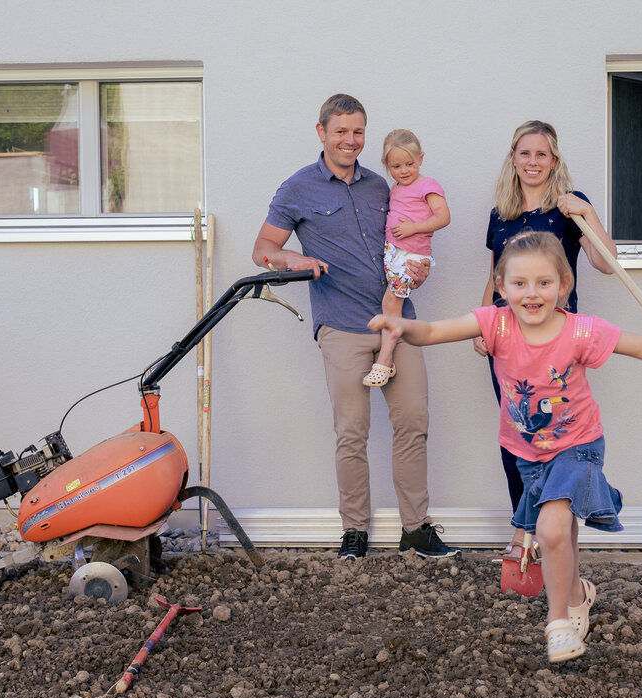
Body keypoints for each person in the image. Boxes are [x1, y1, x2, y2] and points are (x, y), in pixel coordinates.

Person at [369, 231, 642, 662]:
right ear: (501, 286)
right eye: (519, 283)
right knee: (561, 537)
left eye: (543, 283)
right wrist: (402, 326)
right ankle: (576, 595)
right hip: (528, 454)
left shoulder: (580, 332)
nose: (531, 294)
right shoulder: (494, 323)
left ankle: (557, 625)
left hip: (578, 447)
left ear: (563, 286)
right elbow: (434, 330)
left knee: (550, 529)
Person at [251, 94, 459, 561]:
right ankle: (355, 532)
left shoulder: (382, 185)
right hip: (342, 327)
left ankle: (416, 529)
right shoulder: (297, 188)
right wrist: (293, 258)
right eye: (341, 131)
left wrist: (420, 266)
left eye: (358, 131)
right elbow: (262, 248)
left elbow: (411, 235)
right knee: (352, 432)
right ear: (321, 131)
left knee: (413, 425)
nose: (351, 140)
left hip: (398, 323)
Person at [473, 120, 619, 562]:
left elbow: (606, 263)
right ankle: (524, 536)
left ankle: (554, 532)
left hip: (556, 343)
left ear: (554, 160)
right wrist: (484, 325)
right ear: (513, 159)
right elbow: (496, 275)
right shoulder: (502, 212)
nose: (532, 161)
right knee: (517, 438)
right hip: (508, 341)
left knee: (556, 440)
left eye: (541, 154)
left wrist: (587, 213)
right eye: (524, 153)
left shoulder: (568, 208)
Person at [363, 129, 450, 387]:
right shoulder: (396, 188)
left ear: (421, 158)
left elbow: (443, 217)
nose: (404, 170)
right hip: (394, 252)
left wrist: (412, 228)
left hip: (411, 255)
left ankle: (385, 360)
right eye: (396, 166)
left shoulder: (428, 185)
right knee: (390, 301)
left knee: (392, 301)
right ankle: (386, 356)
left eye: (410, 164)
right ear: (387, 166)